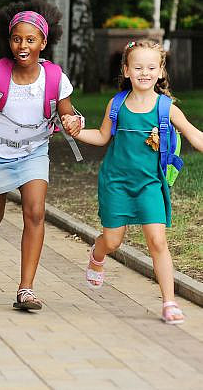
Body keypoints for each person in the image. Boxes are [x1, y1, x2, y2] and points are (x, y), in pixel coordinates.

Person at [62, 39, 203, 324]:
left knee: (157, 241)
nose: (144, 72)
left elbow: (193, 134)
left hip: (150, 184)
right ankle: (97, 255)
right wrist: (76, 133)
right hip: (116, 183)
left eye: (151, 67)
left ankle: (169, 302)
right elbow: (102, 137)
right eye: (137, 67)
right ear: (126, 70)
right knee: (113, 241)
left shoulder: (167, 108)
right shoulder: (117, 104)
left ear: (161, 71)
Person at [0, 0, 80, 310]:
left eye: (30, 39)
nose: (22, 45)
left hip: (34, 152)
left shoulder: (54, 79)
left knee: (35, 213)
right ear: (9, 40)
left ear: (43, 43)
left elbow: (67, 112)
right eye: (16, 39)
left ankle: (26, 288)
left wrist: (74, 120)